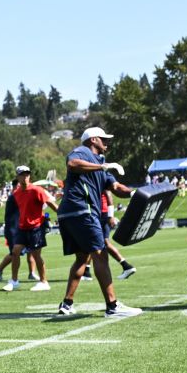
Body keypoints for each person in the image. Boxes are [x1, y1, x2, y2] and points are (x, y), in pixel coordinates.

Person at [55, 127, 142, 318]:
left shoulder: (102, 163)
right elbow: (72, 163)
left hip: (70, 213)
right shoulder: (84, 152)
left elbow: (116, 187)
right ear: (93, 139)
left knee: (81, 258)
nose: (107, 143)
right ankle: (112, 306)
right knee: (100, 254)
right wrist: (102, 167)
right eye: (104, 139)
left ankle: (67, 303)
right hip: (82, 210)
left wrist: (135, 193)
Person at [0, 165, 56, 292]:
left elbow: (50, 203)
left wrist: (62, 215)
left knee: (36, 255)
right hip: (22, 227)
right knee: (15, 251)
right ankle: (14, 281)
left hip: (36, 227)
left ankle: (44, 282)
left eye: (27, 174)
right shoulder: (16, 194)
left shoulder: (37, 190)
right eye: (22, 174)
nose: (25, 177)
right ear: (18, 177)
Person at [81, 191, 136, 281]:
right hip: (98, 213)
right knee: (92, 242)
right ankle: (86, 272)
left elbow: (108, 194)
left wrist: (111, 216)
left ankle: (126, 266)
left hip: (101, 214)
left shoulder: (100, 177)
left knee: (103, 242)